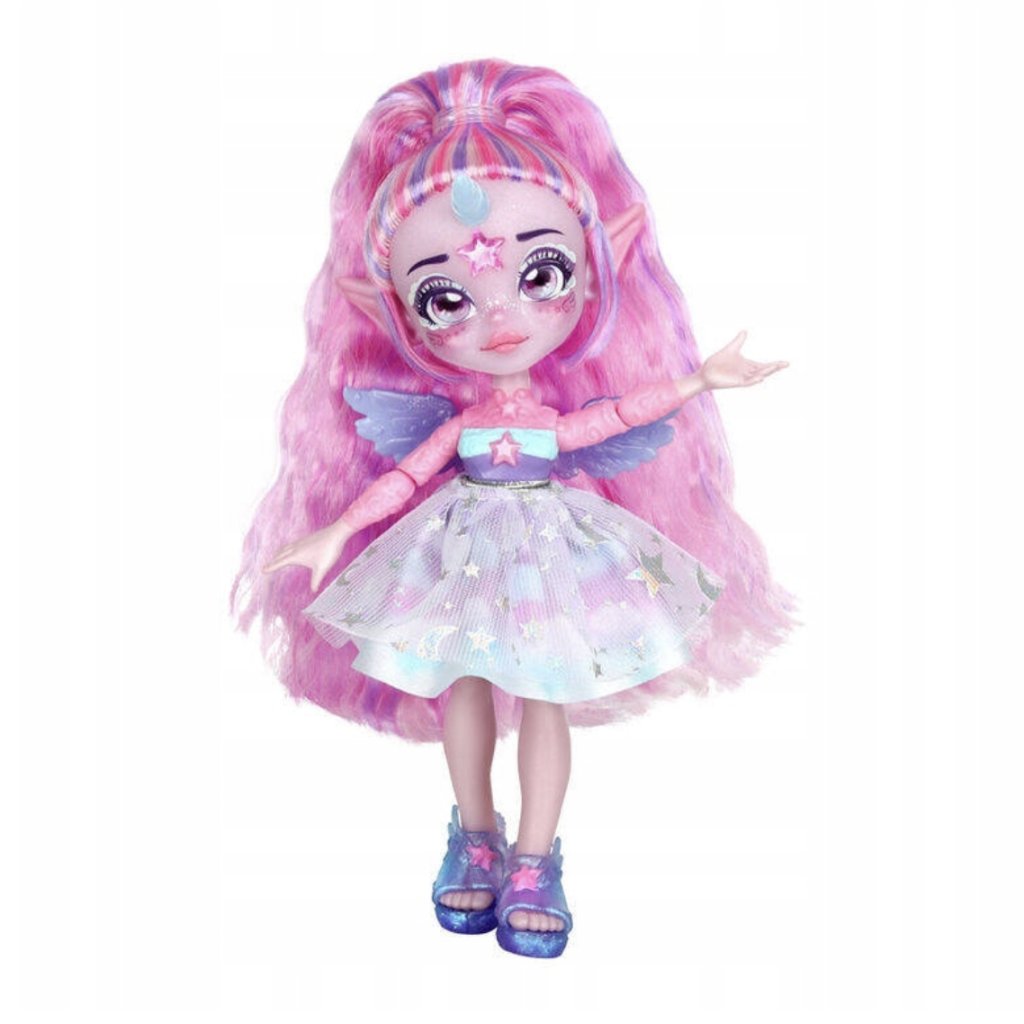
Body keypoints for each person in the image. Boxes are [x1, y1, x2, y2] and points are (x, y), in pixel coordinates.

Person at [232, 59, 794, 958]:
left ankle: (535, 857)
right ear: (392, 312)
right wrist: (335, 531)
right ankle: (474, 831)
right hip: (460, 555)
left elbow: (611, 418)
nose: (499, 319)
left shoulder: (545, 419)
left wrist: (697, 381)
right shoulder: (458, 424)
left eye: (541, 273)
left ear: (600, 260)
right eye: (445, 298)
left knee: (543, 692)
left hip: (547, 557)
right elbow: (407, 477)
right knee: (463, 685)